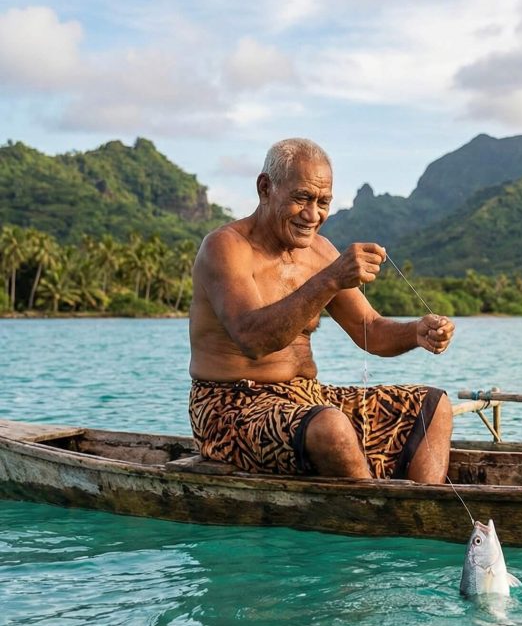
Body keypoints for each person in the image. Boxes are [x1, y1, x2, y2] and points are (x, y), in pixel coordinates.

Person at [188, 138, 455, 483]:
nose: (313, 215)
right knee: (330, 426)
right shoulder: (226, 247)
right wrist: (330, 279)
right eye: (301, 198)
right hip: (230, 409)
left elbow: (370, 331)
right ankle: (378, 516)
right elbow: (252, 339)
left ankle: (420, 515)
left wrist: (416, 331)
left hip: (306, 399)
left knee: (432, 406)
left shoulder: (320, 252)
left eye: (323, 202)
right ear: (265, 187)